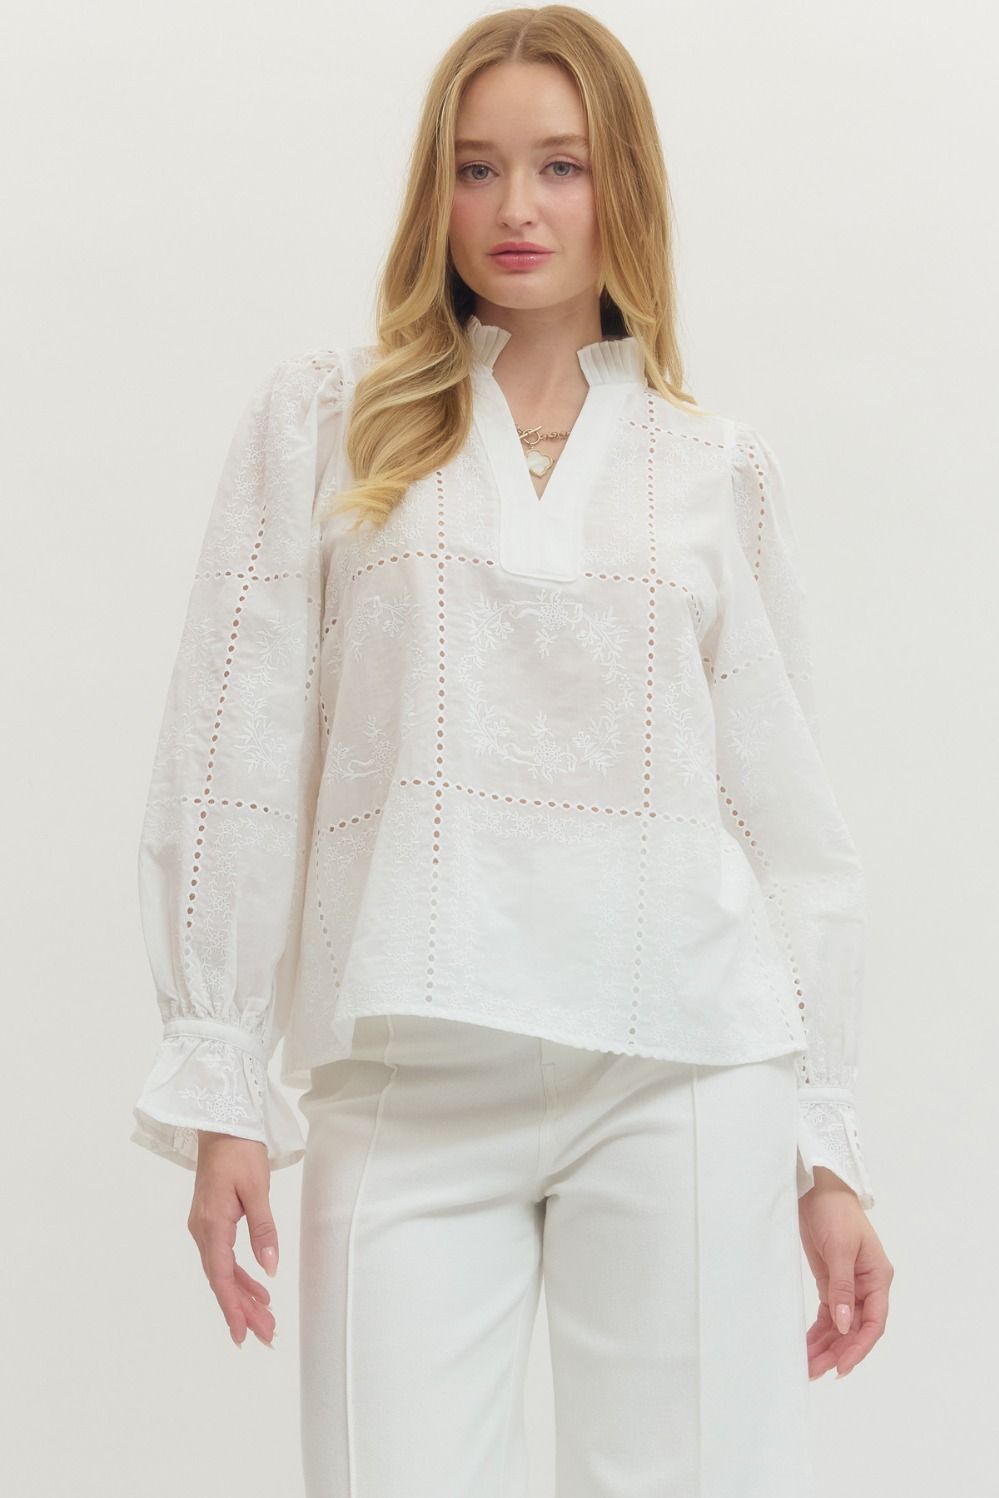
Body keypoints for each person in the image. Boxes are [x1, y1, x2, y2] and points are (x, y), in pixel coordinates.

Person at [130, 7, 893, 1495]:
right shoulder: (330, 427)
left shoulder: (712, 468)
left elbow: (785, 822)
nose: (517, 208)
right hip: (407, 1075)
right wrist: (223, 1085)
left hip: (683, 1075)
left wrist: (828, 1148)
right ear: (436, 191)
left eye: (561, 165)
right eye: (476, 168)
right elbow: (234, 760)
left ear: (624, 188)